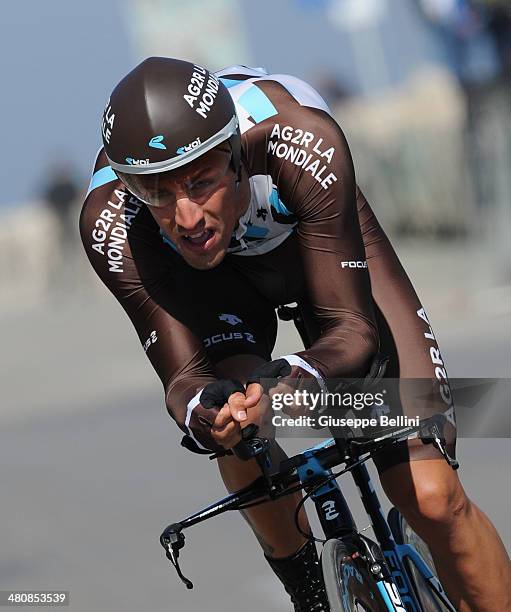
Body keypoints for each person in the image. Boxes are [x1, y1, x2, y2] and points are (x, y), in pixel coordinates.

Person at [80, 57, 511, 611]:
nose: (186, 216)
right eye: (157, 193)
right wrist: (207, 411)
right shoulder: (110, 221)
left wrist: (301, 378)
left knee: (430, 499)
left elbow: (352, 332)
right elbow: (184, 381)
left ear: (235, 155)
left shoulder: (298, 138)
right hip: (216, 294)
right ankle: (310, 593)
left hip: (318, 255)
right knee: (238, 421)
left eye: (201, 181)